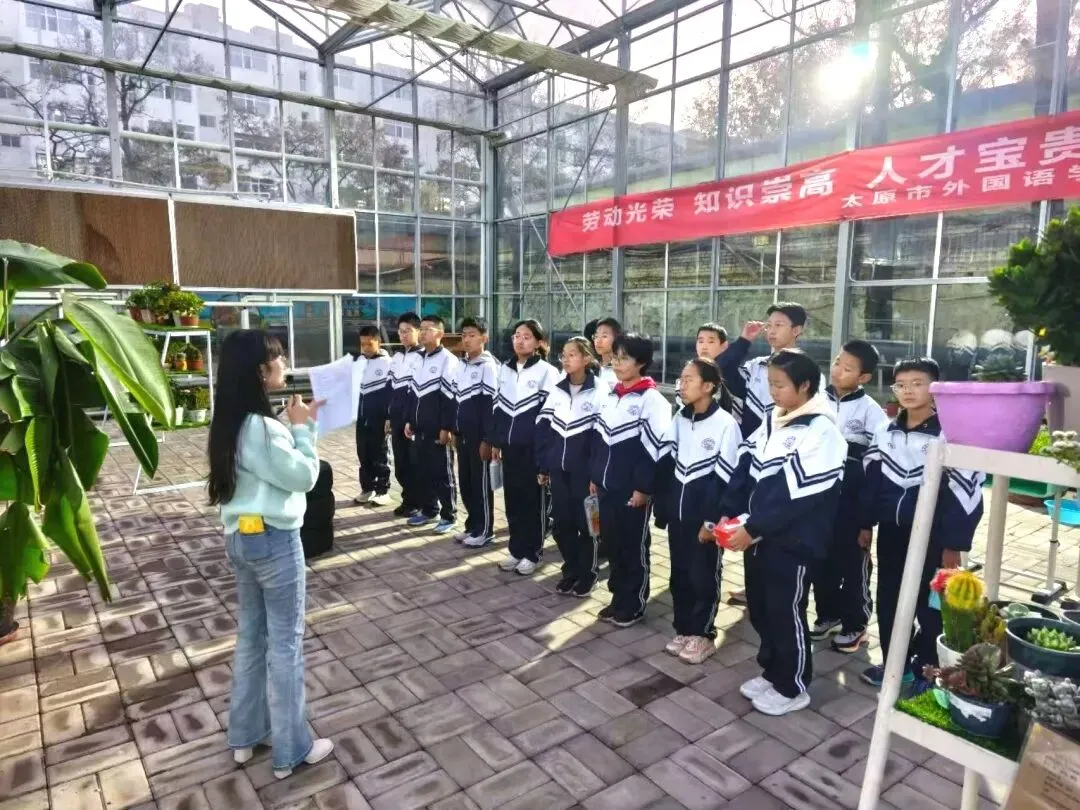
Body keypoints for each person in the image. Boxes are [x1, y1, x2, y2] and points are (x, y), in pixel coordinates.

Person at [207, 329, 334, 780]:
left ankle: (246, 735)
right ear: (260, 372)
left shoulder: (230, 422)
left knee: (252, 637)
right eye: (278, 359)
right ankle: (292, 749)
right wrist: (303, 430)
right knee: (285, 644)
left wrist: (291, 424)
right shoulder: (261, 429)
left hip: (241, 539)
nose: (285, 365)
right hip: (275, 541)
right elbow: (304, 476)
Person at [717, 348, 846, 716]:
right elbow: (745, 465)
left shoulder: (822, 431)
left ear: (804, 385)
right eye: (770, 384)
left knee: (786, 611)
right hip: (759, 537)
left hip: (793, 542)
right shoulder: (774, 419)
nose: (773, 392)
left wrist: (753, 526)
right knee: (761, 608)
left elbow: (796, 495)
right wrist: (731, 512)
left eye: (780, 385)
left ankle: (793, 685)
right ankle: (772, 670)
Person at [858, 358, 984, 690]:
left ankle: (927, 670)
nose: (908, 391)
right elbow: (870, 483)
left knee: (930, 607)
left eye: (917, 383)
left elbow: (965, 493)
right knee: (890, 600)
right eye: (901, 385)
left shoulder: (951, 435)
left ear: (935, 389)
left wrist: (953, 543)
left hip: (934, 538)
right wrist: (865, 523)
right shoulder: (886, 432)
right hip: (893, 533)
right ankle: (894, 664)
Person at [720, 302, 825, 606]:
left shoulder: (805, 371)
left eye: (779, 324)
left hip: (786, 456)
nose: (771, 330)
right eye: (770, 324)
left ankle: (778, 592)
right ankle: (754, 587)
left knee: (775, 521)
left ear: (797, 330)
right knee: (751, 516)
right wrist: (744, 340)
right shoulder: (757, 366)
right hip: (756, 452)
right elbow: (722, 368)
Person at [655, 358, 741, 664]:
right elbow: (666, 464)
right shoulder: (680, 418)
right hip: (678, 516)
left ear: (708, 386)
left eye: (689, 379)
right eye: (681, 379)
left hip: (704, 521)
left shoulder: (726, 425)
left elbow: (727, 480)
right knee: (679, 574)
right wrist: (664, 508)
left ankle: (703, 634)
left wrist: (711, 521)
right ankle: (684, 629)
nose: (682, 385)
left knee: (703, 576)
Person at [810, 340, 888, 654]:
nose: (838, 370)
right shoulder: (816, 400)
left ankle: (856, 624)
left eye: (847, 368)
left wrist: (867, 520)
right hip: (820, 501)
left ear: (864, 377)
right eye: (837, 362)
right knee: (821, 560)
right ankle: (828, 614)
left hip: (853, 506)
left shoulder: (871, 412)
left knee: (854, 565)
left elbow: (876, 468)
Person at [589, 333, 672, 627]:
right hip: (605, 487)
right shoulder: (610, 394)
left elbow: (655, 451)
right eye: (615, 357)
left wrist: (642, 488)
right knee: (611, 544)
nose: (617, 363)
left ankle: (634, 603)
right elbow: (598, 440)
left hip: (631, 492)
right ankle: (618, 598)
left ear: (642, 363)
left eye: (624, 358)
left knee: (633, 546)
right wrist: (595, 476)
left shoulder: (652, 400)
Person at [536, 336, 609, 597]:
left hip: (585, 474)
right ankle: (571, 570)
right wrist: (544, 466)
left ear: (586, 358)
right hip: (559, 470)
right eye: (563, 355)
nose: (565, 359)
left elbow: (603, 439)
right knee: (561, 524)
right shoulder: (557, 389)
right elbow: (545, 429)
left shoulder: (600, 391)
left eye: (572, 355)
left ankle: (588, 574)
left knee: (588, 525)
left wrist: (596, 474)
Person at [492, 319, 560, 575]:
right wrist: (497, 441)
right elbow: (497, 406)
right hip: (510, 448)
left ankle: (533, 553)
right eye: (517, 336)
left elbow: (549, 417)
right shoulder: (505, 368)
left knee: (534, 503)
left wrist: (544, 454)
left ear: (538, 342)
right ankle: (516, 549)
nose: (520, 341)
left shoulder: (547, 372)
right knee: (513, 501)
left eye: (527, 337)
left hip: (533, 449)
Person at [404, 314, 459, 534]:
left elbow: (450, 398)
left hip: (437, 429)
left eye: (429, 329)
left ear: (440, 334)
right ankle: (429, 510)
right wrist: (409, 420)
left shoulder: (448, 360)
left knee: (442, 474)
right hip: (419, 428)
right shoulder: (417, 358)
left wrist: (446, 427)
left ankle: (449, 515)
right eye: (422, 328)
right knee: (423, 471)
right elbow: (412, 392)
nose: (423, 332)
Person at [452, 317, 499, 548]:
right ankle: (472, 525)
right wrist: (454, 430)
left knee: (481, 485)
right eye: (464, 335)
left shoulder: (488, 366)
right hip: (462, 435)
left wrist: (487, 439)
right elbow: (456, 400)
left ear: (484, 338)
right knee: (466, 483)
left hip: (479, 438)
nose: (467, 339)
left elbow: (491, 406)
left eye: (472, 335)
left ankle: (485, 529)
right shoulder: (461, 364)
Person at [388, 313, 424, 517]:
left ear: (418, 331)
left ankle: (418, 502)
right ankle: (408, 499)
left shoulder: (423, 357)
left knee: (414, 462)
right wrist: (388, 417)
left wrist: (411, 418)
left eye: (408, 331)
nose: (403, 335)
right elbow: (390, 388)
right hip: (396, 418)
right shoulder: (397, 357)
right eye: (401, 332)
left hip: (412, 420)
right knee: (401, 463)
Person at [353, 325, 393, 507]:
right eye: (362, 344)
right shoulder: (359, 361)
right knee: (363, 452)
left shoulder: (388, 363)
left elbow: (392, 393)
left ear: (379, 342)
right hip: (362, 417)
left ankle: (383, 490)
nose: (366, 348)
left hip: (379, 418)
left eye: (370, 344)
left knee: (380, 453)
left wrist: (389, 417)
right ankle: (367, 488)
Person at [675, 322, 734, 411]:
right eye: (700, 341)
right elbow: (679, 407)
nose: (704, 346)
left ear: (723, 346)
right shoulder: (687, 370)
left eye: (711, 342)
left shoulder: (729, 375)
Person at [592, 317, 622, 387]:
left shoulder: (622, 370)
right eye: (596, 336)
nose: (598, 341)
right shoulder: (592, 368)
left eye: (604, 336)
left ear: (616, 338)